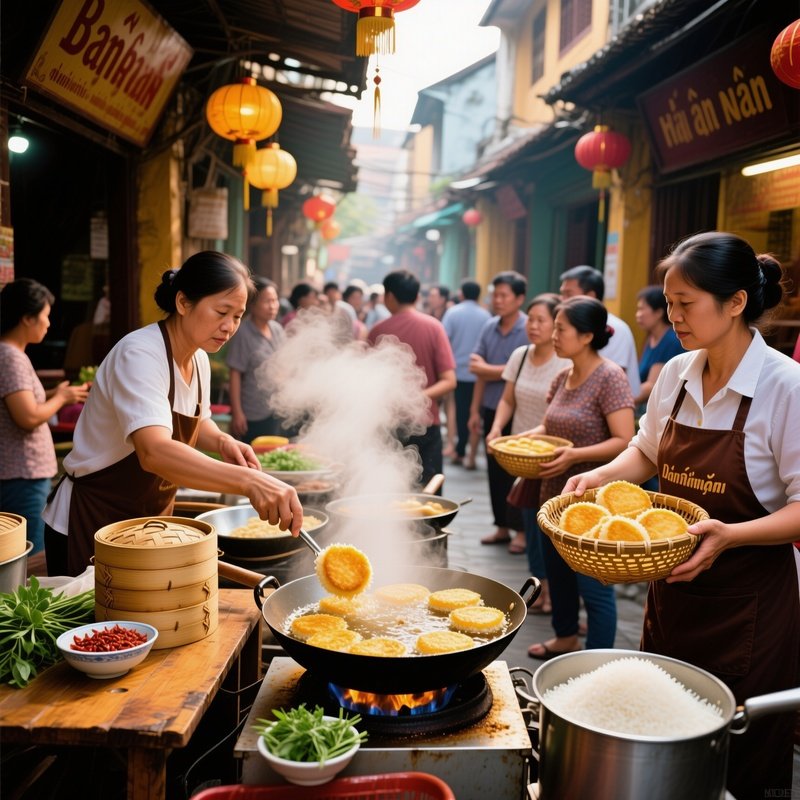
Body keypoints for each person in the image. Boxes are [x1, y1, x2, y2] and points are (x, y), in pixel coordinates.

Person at [564, 232, 800, 799]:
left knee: (738, 762)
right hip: (674, 596)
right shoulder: (676, 373)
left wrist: (729, 536)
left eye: (686, 303)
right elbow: (647, 451)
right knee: (667, 747)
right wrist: (600, 476)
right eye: (669, 302)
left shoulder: (784, 387)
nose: (673, 316)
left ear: (737, 301)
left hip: (751, 607)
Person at [42, 252, 302, 576]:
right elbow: (154, 451)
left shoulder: (199, 357)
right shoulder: (140, 354)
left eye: (237, 316)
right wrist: (250, 482)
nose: (230, 327)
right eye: (222, 312)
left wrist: (221, 441)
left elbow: (195, 418)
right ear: (183, 302)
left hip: (146, 526)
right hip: (92, 520)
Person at [526, 296, 634, 660]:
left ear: (586, 336)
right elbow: (554, 422)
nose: (553, 335)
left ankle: (597, 659)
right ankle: (566, 636)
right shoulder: (562, 376)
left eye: (561, 329)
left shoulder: (610, 377)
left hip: (592, 502)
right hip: (554, 494)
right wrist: (531, 435)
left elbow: (624, 440)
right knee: (557, 573)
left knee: (595, 585)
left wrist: (576, 456)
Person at [486, 294, 570, 593]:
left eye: (541, 320)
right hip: (522, 454)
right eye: (529, 319)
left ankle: (555, 592)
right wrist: (497, 428)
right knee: (529, 520)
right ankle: (542, 586)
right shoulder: (520, 355)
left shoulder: (566, 362)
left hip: (552, 455)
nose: (532, 326)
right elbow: (507, 399)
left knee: (549, 526)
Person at [0, 279, 89, 555]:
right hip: (21, 472)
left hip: (20, 472)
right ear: (27, 318)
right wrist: (61, 399)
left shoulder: (11, 355)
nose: (48, 323)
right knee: (29, 555)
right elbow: (26, 416)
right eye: (45, 316)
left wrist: (56, 394)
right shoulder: (10, 356)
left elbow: (19, 399)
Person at [368, 270, 456, 486]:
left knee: (391, 491)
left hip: (388, 424)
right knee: (429, 496)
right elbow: (449, 380)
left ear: (388, 297)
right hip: (427, 425)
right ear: (417, 297)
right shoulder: (434, 327)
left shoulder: (377, 331)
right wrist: (419, 397)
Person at [468, 271, 529, 547]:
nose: (498, 300)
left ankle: (521, 531)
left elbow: (518, 370)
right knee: (494, 470)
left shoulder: (529, 327)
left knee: (519, 473)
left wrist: (488, 369)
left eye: (504, 295)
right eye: (495, 294)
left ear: (519, 299)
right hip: (493, 407)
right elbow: (476, 370)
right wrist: (474, 410)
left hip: (519, 410)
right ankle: (502, 526)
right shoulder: (489, 326)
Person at [559, 265, 641, 398]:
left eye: (568, 294)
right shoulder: (570, 324)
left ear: (591, 296)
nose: (562, 300)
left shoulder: (615, 328)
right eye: (562, 293)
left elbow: (612, 382)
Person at [226, 276, 287, 443]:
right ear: (252, 304)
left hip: (277, 409)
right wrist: (237, 413)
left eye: (275, 300)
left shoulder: (277, 329)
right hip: (252, 412)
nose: (273, 306)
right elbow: (235, 374)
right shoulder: (243, 333)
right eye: (267, 301)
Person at [442, 279, 491, 469]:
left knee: (461, 414)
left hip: (459, 372)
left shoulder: (453, 312)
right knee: (476, 414)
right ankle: (470, 455)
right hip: (480, 373)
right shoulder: (486, 315)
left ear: (462, 294)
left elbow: (444, 340)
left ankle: (459, 450)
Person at [634, 284, 683, 409]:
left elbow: (651, 385)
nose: (638, 315)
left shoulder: (670, 340)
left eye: (642, 309)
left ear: (659, 312)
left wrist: (618, 401)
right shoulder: (651, 338)